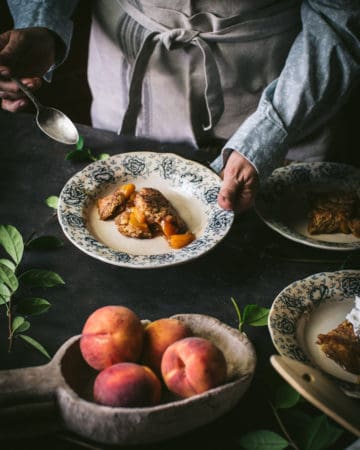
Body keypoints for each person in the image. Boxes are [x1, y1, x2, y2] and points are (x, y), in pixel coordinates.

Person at [0, 1, 359, 214]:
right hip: (126, 72)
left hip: (282, 83)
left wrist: (270, 130)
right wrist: (41, 20)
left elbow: (340, 15)